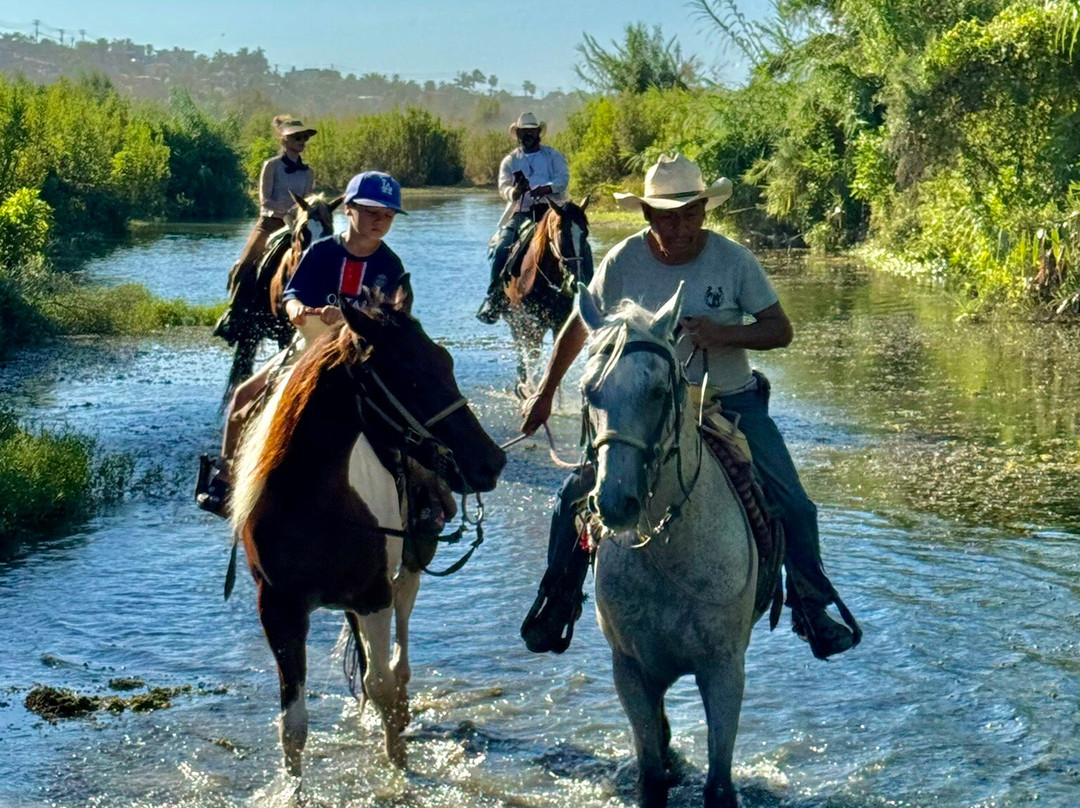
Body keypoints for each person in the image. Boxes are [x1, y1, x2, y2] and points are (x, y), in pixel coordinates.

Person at [518, 153, 861, 660]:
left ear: (704, 210)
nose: (678, 227)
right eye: (666, 216)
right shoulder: (623, 261)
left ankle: (811, 605)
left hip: (730, 402)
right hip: (646, 411)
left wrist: (724, 333)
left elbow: (780, 329)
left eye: (689, 214)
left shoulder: (734, 260)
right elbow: (579, 323)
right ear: (647, 216)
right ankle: (559, 599)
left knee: (794, 503)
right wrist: (546, 394)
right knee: (576, 492)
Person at [197, 170, 408, 516]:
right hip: (309, 344)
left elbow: (393, 315)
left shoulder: (390, 264)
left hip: (364, 353)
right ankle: (229, 478)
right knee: (241, 400)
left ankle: (422, 495)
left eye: (387, 215)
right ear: (349, 210)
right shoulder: (322, 251)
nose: (380, 221)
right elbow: (293, 291)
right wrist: (294, 307)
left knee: (413, 416)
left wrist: (348, 317)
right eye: (371, 212)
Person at [214, 114, 317, 343]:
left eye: (304, 137)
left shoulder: (308, 172)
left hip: (297, 227)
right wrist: (287, 211)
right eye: (298, 137)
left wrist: (303, 215)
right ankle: (233, 315)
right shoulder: (271, 166)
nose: (303, 141)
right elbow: (265, 201)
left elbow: (308, 202)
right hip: (271, 224)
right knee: (246, 263)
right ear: (285, 141)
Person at [475, 112, 570, 324]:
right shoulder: (510, 161)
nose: (528, 135)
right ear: (518, 134)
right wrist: (515, 192)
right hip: (521, 213)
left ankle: (587, 289)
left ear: (539, 133)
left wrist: (548, 187)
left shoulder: (552, 156)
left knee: (576, 242)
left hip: (551, 211)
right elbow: (503, 187)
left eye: (532, 131)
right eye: (524, 132)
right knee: (502, 248)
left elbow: (563, 178)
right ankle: (494, 297)